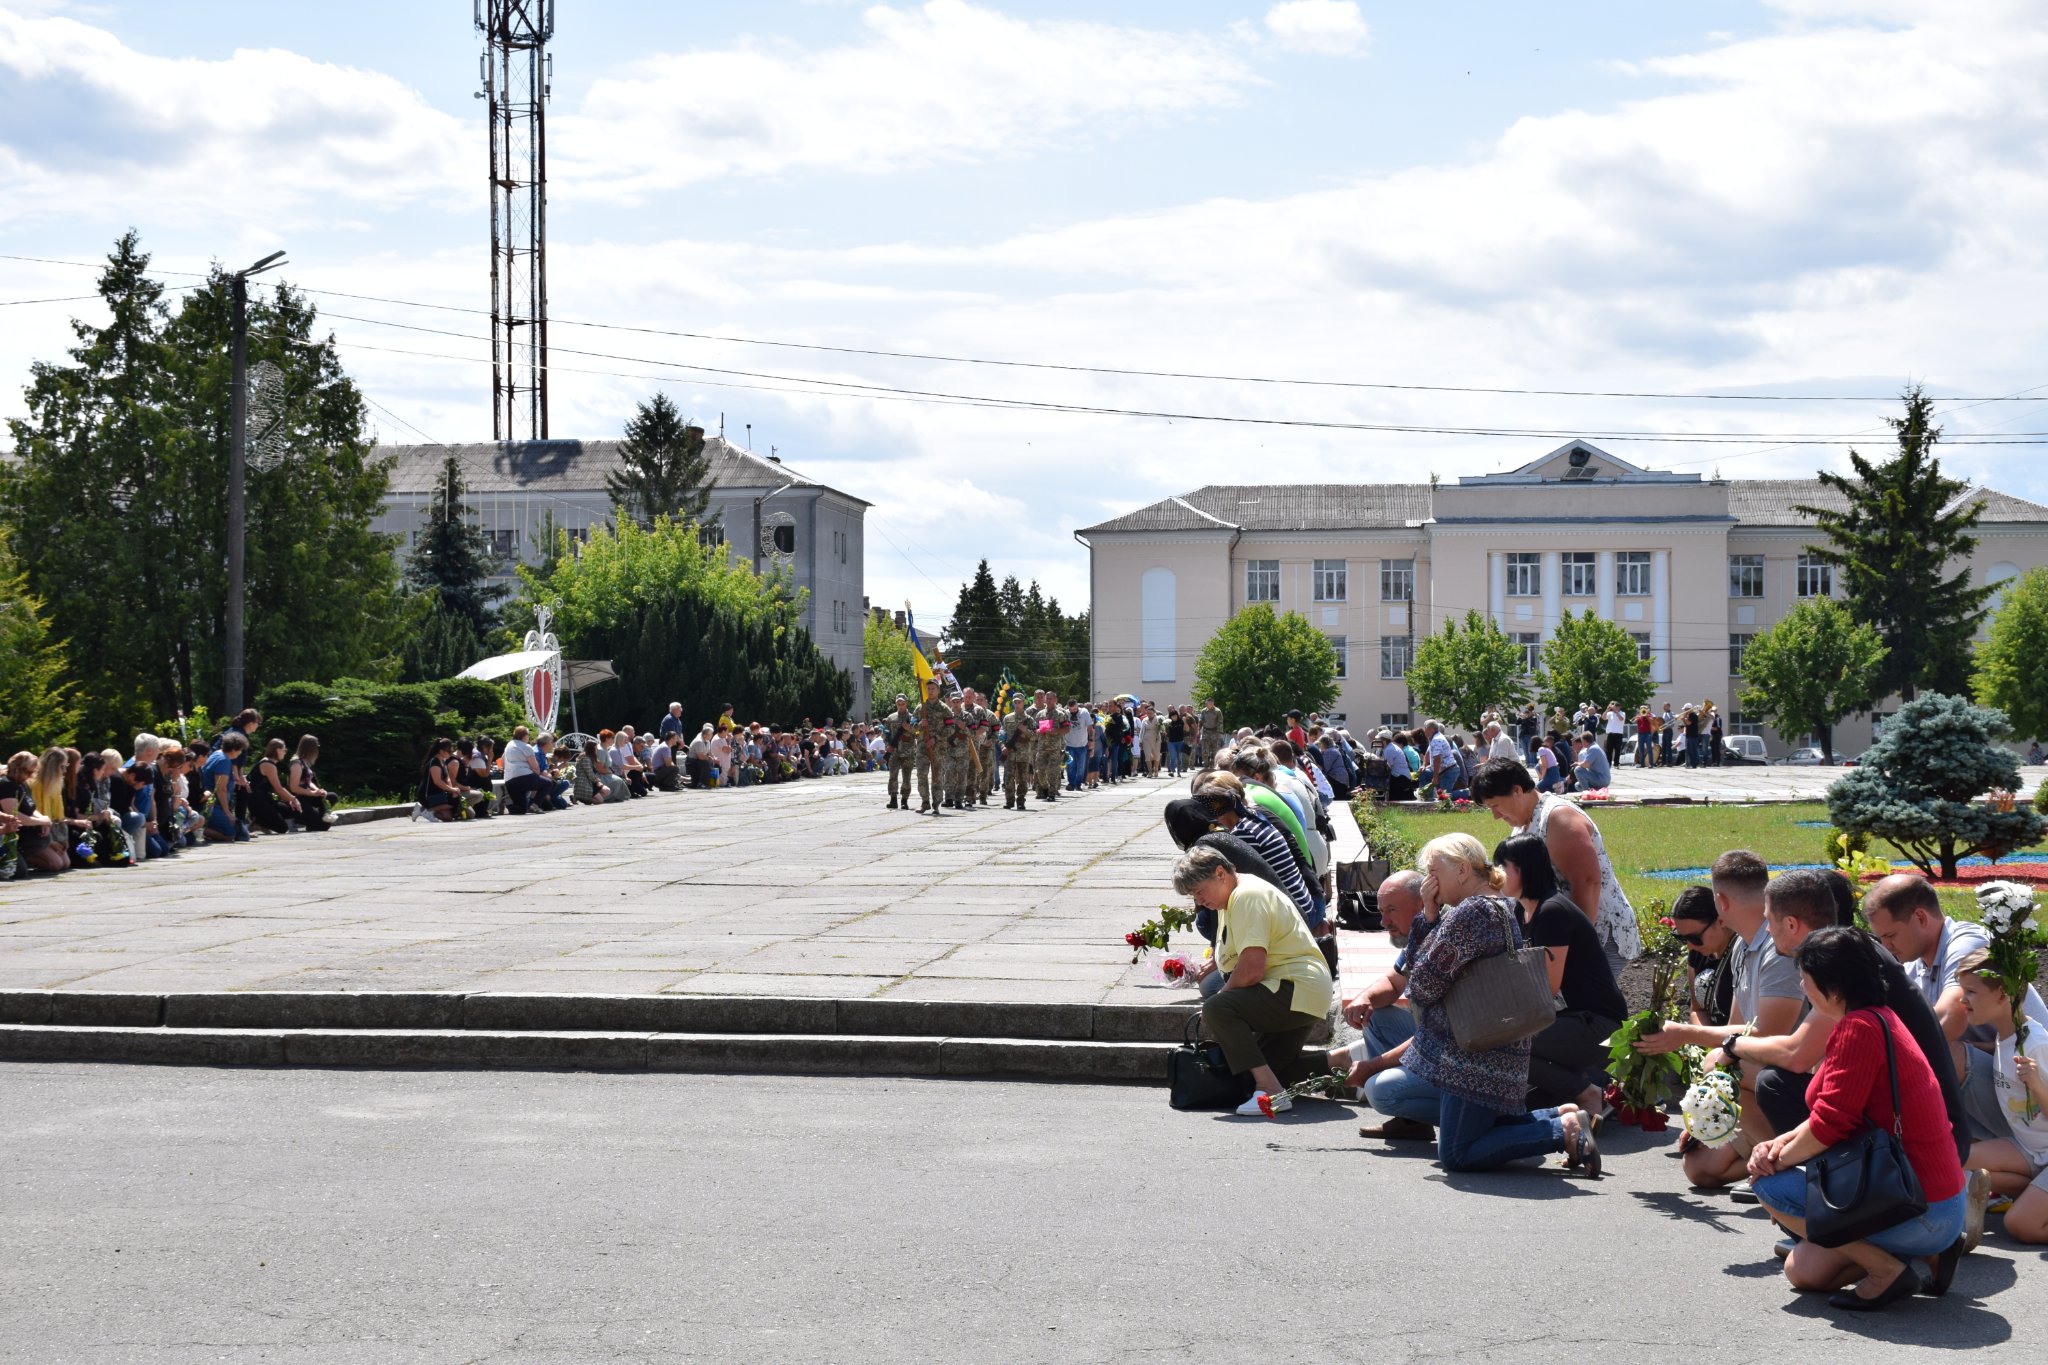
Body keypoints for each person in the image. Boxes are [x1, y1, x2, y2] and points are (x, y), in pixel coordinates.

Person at [1748, 927, 1968, 1310]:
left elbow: (1828, 1127)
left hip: (1919, 1206)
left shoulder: (1857, 1031)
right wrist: (1776, 1144)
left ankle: (1887, 1269)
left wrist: (1770, 1163)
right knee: (1805, 1271)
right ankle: (1929, 1256)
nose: (1802, 987)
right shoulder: (1877, 1017)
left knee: (1769, 1187)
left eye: (1805, 979)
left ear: (1833, 989)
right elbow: (1828, 1115)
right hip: (1931, 1200)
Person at [1398, 833, 1600, 1174]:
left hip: (1473, 1057)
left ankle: (1562, 1130)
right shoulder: (1502, 904)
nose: (1428, 882)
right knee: (1478, 1134)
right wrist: (1431, 914)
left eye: (1434, 871)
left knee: (1458, 1154)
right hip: (1498, 1047)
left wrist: (1427, 918)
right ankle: (1561, 1115)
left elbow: (1421, 985)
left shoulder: (1470, 913)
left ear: (1462, 870)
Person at [1632, 850, 1804, 1187]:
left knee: (1718, 1063)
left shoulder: (1779, 945)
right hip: (1762, 1075)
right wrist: (1705, 1118)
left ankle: (1794, 1165)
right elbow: (1737, 1028)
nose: (1691, 946)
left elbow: (1768, 1035)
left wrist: (1685, 1034)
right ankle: (1773, 1157)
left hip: (1795, 1075)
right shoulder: (1742, 944)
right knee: (1700, 1168)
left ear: (1720, 900)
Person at [1861, 873, 2044, 1147]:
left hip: (2036, 1091)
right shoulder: (1914, 963)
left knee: (1944, 1053)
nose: (1887, 947)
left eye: (1890, 936)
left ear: (1921, 918)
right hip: (2004, 1076)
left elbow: (1948, 1021)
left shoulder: (1967, 944)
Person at [1174, 845, 1334, 1117]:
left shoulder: (1246, 896)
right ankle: (1343, 1060)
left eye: (1199, 891)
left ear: (1220, 873)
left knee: (1217, 1008)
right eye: (1193, 896)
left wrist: (1221, 1000)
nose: (1199, 901)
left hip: (1293, 988)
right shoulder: (1235, 895)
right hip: (1300, 990)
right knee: (1263, 1069)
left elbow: (1251, 969)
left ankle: (1271, 1093)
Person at [1470, 757, 1640, 975]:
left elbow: (1587, 883)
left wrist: (1580, 945)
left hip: (1599, 934)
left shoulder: (1558, 818)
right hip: (1564, 935)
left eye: (1495, 805)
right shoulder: (1525, 823)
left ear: (1517, 790)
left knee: (1591, 1004)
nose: (1495, 816)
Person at [1494, 834, 1626, 1113]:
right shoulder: (1523, 911)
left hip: (1601, 1024)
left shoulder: (1553, 912)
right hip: (1572, 1018)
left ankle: (1588, 1092)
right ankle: (1591, 1089)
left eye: (1502, 866)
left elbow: (1547, 987)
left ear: (1523, 868)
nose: (1497, 874)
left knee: (1502, 1045)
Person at [1332, 872, 1445, 1139]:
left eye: (1392, 910)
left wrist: (1373, 1066)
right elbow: (1394, 983)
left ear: (1421, 904)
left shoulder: (1442, 939)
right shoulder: (1421, 935)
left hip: (1453, 1057)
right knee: (1376, 1014)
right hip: (1435, 1045)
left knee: (1379, 1090)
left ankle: (1474, 1116)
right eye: (1381, 912)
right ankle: (1412, 1123)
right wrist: (1365, 998)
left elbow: (1432, 1034)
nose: (1384, 922)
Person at [1955, 947, 2048, 1244]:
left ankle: (2032, 1203)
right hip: (2030, 1149)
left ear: (2002, 995)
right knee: (1957, 1160)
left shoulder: (2036, 1045)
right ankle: (2034, 1190)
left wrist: (2036, 1084)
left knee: (2020, 1225)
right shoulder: (2007, 1036)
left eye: (1971, 991)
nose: (1962, 999)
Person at [2, 751, 66, 874]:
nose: (31, 776)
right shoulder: (6, 785)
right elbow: (14, 816)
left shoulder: (23, 784)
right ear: (19, 769)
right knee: (53, 865)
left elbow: (31, 807)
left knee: (63, 863)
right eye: (30, 772)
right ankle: (23, 858)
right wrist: (39, 821)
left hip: (30, 831)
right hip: (15, 834)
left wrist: (43, 819)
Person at [247, 737, 298, 834]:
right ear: (278, 750)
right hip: (257, 800)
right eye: (284, 750)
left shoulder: (271, 763)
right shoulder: (268, 765)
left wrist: (290, 799)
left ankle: (263, 820)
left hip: (266, 798)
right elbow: (278, 789)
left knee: (292, 810)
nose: (285, 752)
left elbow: (277, 788)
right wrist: (294, 799)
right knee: (282, 828)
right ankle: (256, 821)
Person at [284, 736, 332, 831]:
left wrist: (318, 790)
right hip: (298, 798)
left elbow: (308, 781)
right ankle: (300, 818)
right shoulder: (296, 763)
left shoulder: (305, 762)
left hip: (306, 795)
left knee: (331, 797)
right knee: (323, 826)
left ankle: (316, 818)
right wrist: (313, 793)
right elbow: (294, 788)